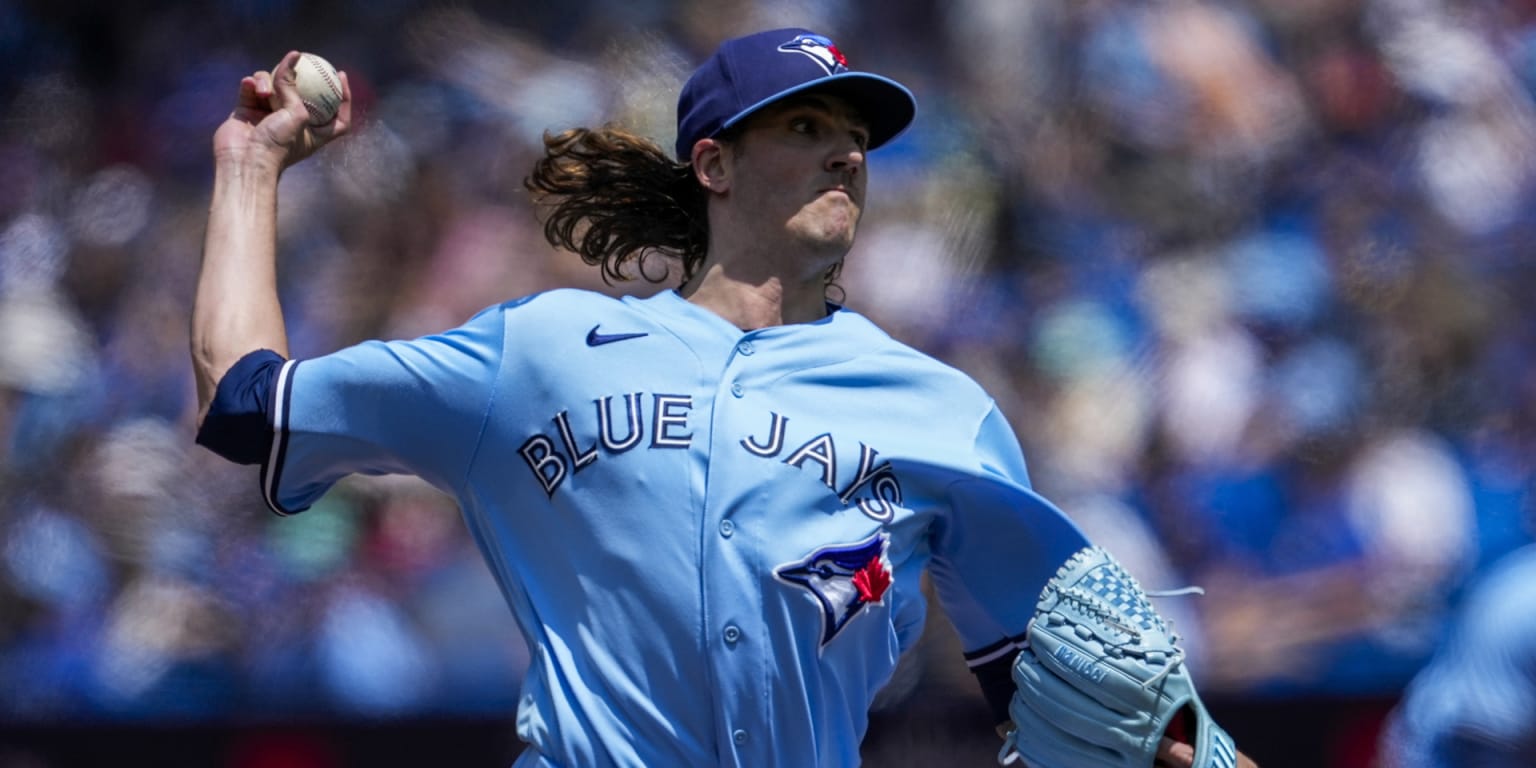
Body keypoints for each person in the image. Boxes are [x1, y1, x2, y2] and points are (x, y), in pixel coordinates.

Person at [192, 28, 1257, 768]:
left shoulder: (939, 407)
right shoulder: (545, 349)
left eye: (856, 133)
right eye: (804, 127)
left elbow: (1088, 692)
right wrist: (249, 166)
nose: (847, 148)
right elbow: (248, 405)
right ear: (713, 162)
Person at [1377, 542, 1536, 766]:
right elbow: (1476, 731)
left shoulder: (1523, 567)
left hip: (1479, 732)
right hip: (1462, 743)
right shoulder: (1525, 584)